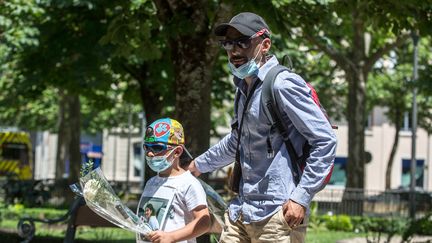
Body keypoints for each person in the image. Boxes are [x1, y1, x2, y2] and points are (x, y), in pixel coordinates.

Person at [187, 12, 337, 242]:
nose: (234, 50)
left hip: (278, 213)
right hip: (242, 210)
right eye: (228, 43)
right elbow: (236, 142)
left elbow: (325, 140)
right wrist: (195, 166)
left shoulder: (283, 84)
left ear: (264, 44)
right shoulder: (243, 89)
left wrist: (301, 197)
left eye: (243, 42)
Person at [137, 118, 210, 243]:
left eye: (156, 148)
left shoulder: (188, 183)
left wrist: (171, 237)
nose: (149, 153)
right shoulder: (151, 183)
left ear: (177, 151)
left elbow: (204, 222)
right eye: (146, 147)